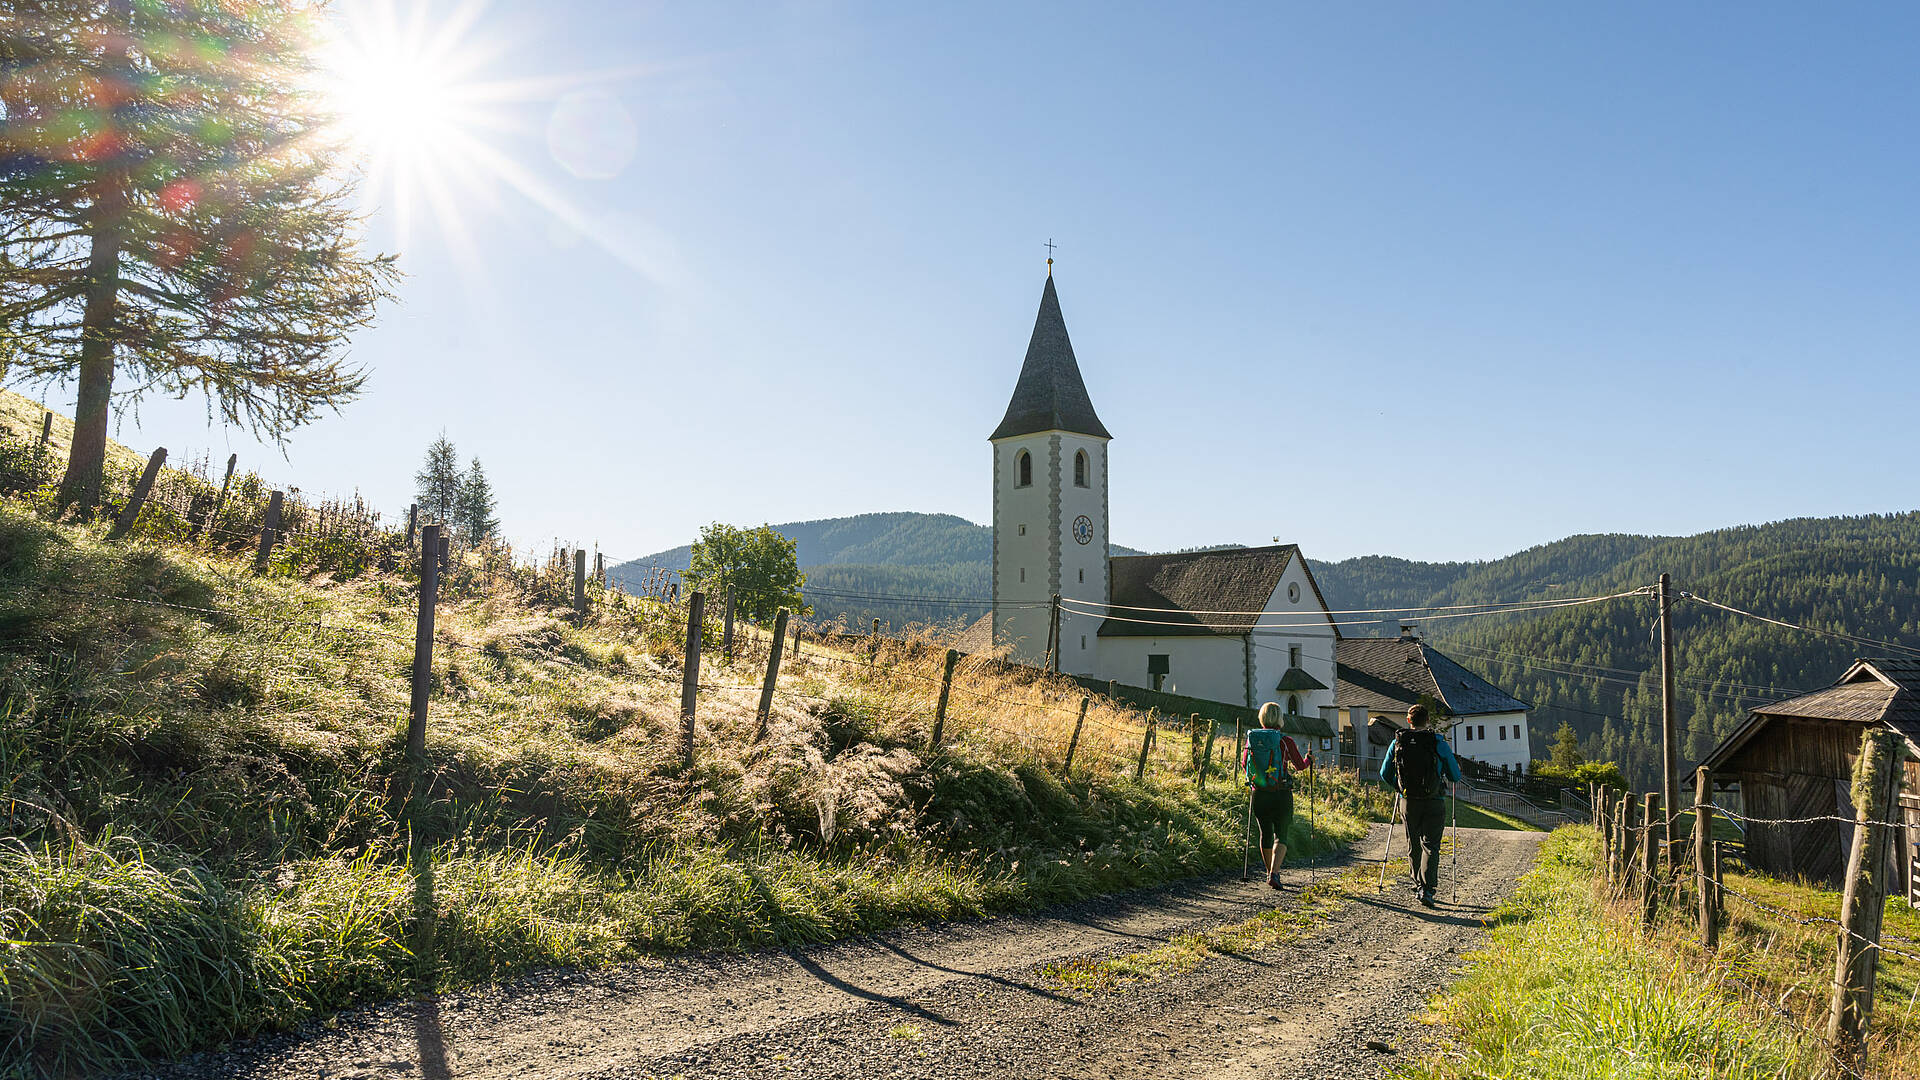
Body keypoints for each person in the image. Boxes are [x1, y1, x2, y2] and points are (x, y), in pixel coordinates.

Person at [1379, 703, 1462, 908]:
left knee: (1413, 843)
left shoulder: (1398, 742)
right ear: (1427, 721)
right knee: (1431, 845)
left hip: (1409, 802)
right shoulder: (1437, 742)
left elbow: (1384, 774)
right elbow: (1455, 775)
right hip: (1434, 801)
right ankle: (1427, 888)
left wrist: (1399, 788)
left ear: (1409, 720)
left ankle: (1417, 884)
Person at [1243, 701, 1314, 890]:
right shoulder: (1285, 741)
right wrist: (1309, 760)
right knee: (1281, 834)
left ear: (1262, 718)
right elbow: (1299, 765)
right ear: (1280, 719)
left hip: (1259, 793)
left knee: (1265, 833)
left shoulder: (1252, 740)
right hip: (1281, 794)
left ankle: (1269, 873)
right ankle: (1274, 873)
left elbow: (1244, 765)